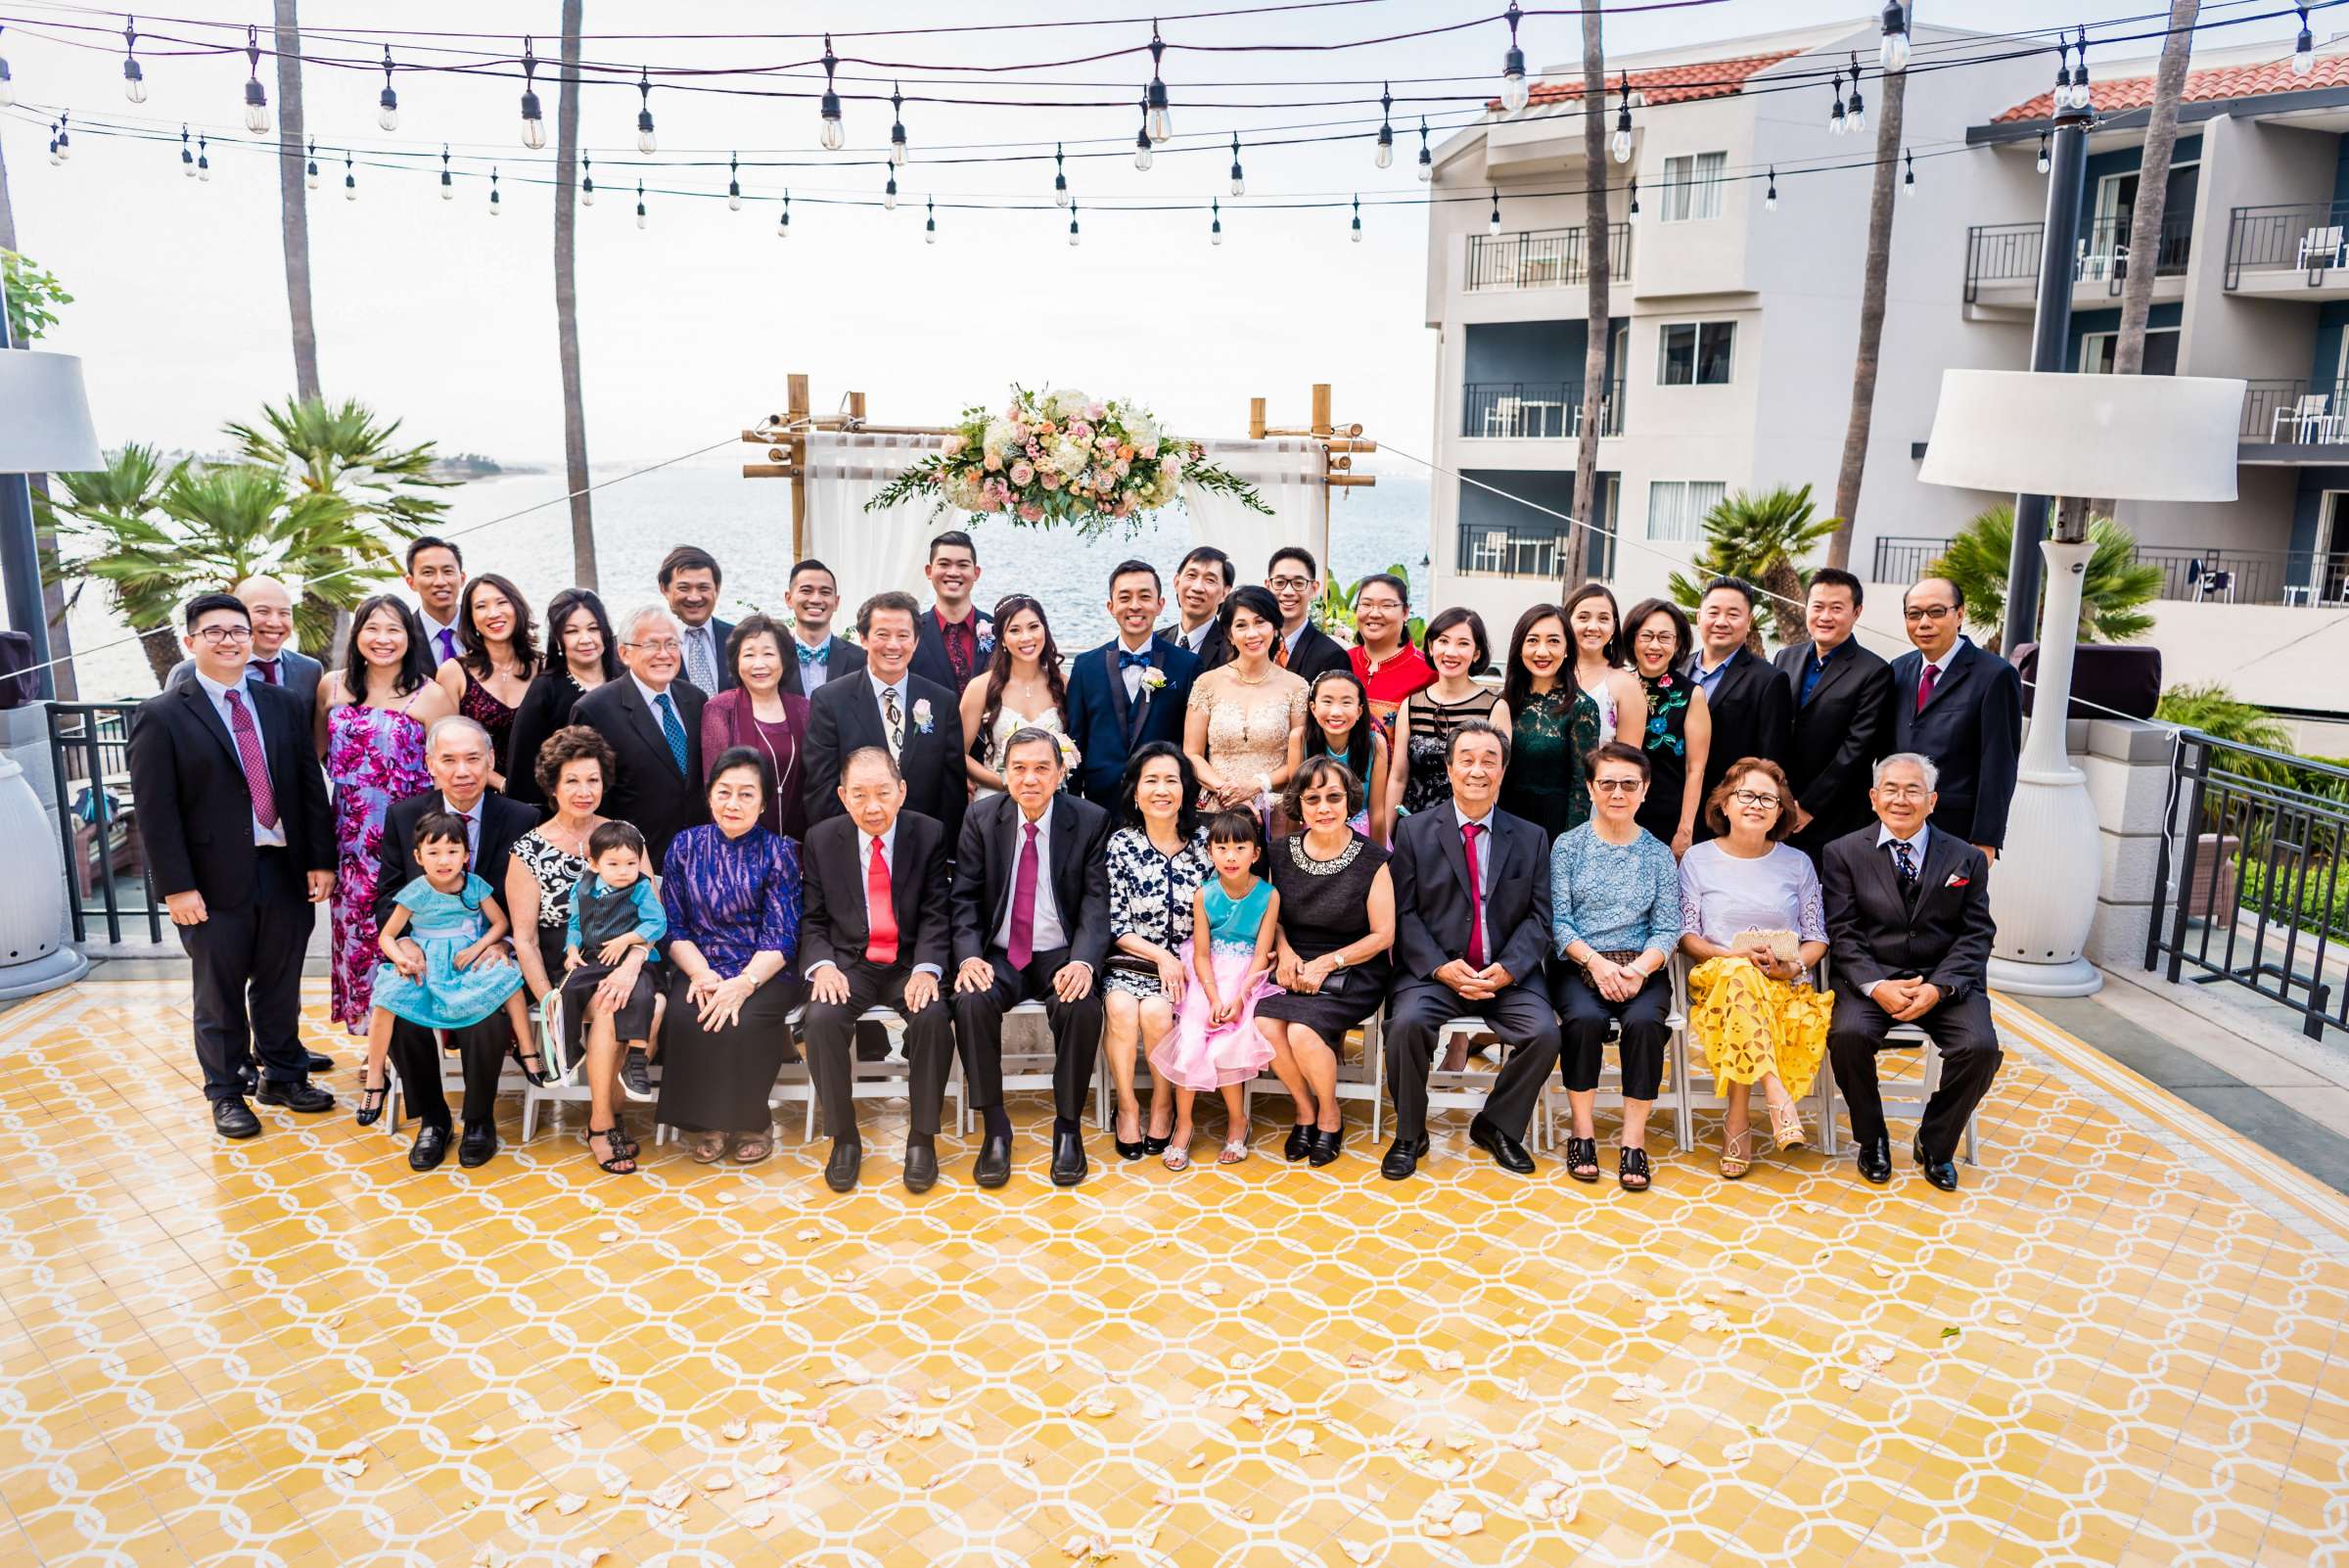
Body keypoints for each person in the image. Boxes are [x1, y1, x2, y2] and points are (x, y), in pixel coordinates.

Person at [126, 592, 336, 1139]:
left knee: (280, 979)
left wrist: (320, 860)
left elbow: (309, 787)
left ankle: (284, 1076)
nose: (229, 640)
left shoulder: (283, 703)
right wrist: (176, 887)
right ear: (191, 641)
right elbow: (156, 811)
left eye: (238, 631)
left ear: (253, 640)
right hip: (210, 882)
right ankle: (225, 1092)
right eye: (215, 631)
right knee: (218, 991)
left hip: (284, 868)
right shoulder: (163, 713)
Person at [1380, 720, 1562, 1181]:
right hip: (1436, 970)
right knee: (1405, 1025)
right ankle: (1410, 1131)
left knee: (1544, 1033)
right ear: (1449, 766)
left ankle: (1496, 1124)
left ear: (1503, 770)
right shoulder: (1415, 832)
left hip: (1505, 973)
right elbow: (1403, 914)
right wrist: (1441, 967)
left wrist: (1510, 968)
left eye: (1489, 760)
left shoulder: (1531, 837)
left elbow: (1541, 918)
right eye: (1467, 759)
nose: (1478, 770)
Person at [371, 715, 543, 1170]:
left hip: (488, 949)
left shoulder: (523, 816)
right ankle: (432, 1119)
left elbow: (533, 898)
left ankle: (480, 1119)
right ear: (430, 764)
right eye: (449, 760)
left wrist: (504, 941)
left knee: (486, 1010)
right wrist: (404, 944)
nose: (462, 770)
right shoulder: (404, 815)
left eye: (473, 758)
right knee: (404, 1012)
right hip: (426, 951)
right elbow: (388, 895)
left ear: (491, 760)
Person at [1821, 753, 2001, 1192]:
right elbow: (1842, 932)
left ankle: (1936, 1142)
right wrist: (1877, 985)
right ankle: (1872, 1138)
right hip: (1872, 981)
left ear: (1932, 800)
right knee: (1846, 1037)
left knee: (1981, 1048)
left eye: (1913, 790)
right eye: (1891, 789)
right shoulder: (1842, 852)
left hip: (1945, 983)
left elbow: (1977, 934)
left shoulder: (1966, 859)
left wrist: (1939, 989)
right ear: (1873, 797)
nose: (1901, 799)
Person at [949, 728, 1114, 1189]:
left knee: (1082, 1006)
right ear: (1004, 773)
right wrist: (966, 958)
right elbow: (962, 899)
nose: (1030, 779)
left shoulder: (1089, 820)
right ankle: (995, 1126)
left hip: (1058, 952)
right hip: (999, 953)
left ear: (1060, 773)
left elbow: (1095, 905)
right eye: (1019, 768)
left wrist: (1083, 961)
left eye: (1042, 767)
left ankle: (1068, 1126)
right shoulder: (981, 818)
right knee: (969, 1000)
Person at [799, 748, 955, 1193]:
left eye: (883, 793)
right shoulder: (822, 839)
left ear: (901, 791)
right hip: (851, 963)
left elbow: (934, 913)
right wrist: (823, 967)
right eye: (861, 795)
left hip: (908, 962)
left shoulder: (928, 833)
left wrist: (927, 969)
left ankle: (922, 1137)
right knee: (821, 1019)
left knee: (933, 1018)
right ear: (843, 796)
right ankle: (844, 1137)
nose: (873, 806)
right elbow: (812, 918)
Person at [1678, 758, 1833, 1179]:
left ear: (1780, 812)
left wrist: (1792, 965)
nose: (1757, 804)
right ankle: (1777, 1096)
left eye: (1769, 798)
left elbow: (1817, 935)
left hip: (1781, 983)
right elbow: (1688, 937)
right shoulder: (1697, 859)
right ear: (1724, 804)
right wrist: (1733, 958)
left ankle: (1738, 1123)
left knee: (1744, 985)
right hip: (1717, 976)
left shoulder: (1797, 863)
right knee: (1738, 977)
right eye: (1746, 795)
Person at [656, 747, 805, 1165]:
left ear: (762, 802)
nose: (733, 804)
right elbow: (673, 926)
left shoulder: (778, 853)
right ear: (709, 796)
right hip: (698, 963)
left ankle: (753, 1122)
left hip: (763, 970)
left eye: (745, 794)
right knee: (688, 1014)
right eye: (724, 792)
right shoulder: (685, 846)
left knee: (744, 1019)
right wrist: (702, 975)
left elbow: (782, 936)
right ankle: (707, 1123)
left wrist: (743, 984)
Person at [318, 594, 453, 1045]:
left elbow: (449, 769)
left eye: (394, 629)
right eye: (372, 628)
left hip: (408, 838)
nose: (383, 639)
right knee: (359, 937)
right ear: (356, 635)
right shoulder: (331, 687)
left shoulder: (430, 694)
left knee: (408, 931)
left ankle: (413, 1038)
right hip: (350, 839)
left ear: (409, 636)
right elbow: (317, 754)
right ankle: (371, 1040)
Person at [1548, 741, 1682, 1192]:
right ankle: (1582, 1132)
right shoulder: (1568, 847)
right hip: (1580, 964)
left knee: (1645, 1024)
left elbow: (1668, 929)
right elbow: (1559, 922)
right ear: (1590, 788)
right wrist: (1597, 964)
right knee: (1583, 1021)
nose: (1618, 793)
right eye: (1607, 784)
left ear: (1644, 790)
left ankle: (1633, 1139)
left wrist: (1638, 970)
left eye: (1629, 784)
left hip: (1641, 968)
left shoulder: (1658, 854)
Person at [1255, 757, 1396, 1166]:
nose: (1324, 808)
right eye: (1312, 799)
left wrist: (1329, 962)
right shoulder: (1278, 854)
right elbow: (1270, 914)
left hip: (1354, 966)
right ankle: (1304, 1109)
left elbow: (1383, 935)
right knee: (1264, 1023)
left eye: (1333, 797)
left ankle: (1330, 1116)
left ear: (1350, 801)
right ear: (1298, 804)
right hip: (1294, 961)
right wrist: (1284, 951)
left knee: (1301, 1030)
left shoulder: (1373, 859)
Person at [504, 726, 655, 1110]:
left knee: (614, 999)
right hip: (566, 962)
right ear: (552, 787)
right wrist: (550, 1000)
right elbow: (525, 939)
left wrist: (632, 964)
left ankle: (604, 1120)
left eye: (593, 780)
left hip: (628, 955)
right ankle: (605, 1120)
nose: (584, 791)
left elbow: (653, 912)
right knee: (607, 1003)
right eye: (571, 781)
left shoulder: (625, 836)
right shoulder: (528, 851)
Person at [361, 812, 538, 1136]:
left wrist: (480, 947)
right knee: (386, 1000)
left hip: (466, 960)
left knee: (508, 979)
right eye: (433, 852)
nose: (444, 861)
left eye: (452, 851)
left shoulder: (475, 887)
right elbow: (387, 935)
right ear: (417, 857)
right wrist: (401, 958)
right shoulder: (415, 892)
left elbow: (500, 923)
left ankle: (528, 1051)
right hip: (427, 961)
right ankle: (376, 1077)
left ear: (466, 855)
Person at [1149, 810, 1281, 1170]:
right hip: (1207, 977)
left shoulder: (1269, 895)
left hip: (1246, 978)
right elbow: (1202, 954)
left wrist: (1238, 999)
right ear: (1210, 852)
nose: (1231, 856)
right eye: (1221, 848)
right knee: (1191, 1040)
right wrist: (1213, 997)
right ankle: (1184, 1123)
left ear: (1255, 853)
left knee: (1227, 1043)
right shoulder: (1204, 895)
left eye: (1240, 848)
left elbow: (1260, 954)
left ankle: (1238, 1121)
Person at [1101, 743, 1210, 1160]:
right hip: (1132, 960)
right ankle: (1127, 1106)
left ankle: (1163, 1106)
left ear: (1185, 790)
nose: (1162, 790)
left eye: (1171, 780)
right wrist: (1160, 957)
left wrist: (1180, 960)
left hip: (1189, 965)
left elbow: (1221, 911)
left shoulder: (1205, 844)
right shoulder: (1120, 845)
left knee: (1158, 1012)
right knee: (1125, 1009)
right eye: (1151, 780)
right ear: (1135, 791)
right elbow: (1117, 924)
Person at [805, 591, 968, 852]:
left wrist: (942, 851)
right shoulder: (830, 701)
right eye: (882, 635)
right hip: (854, 846)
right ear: (863, 639)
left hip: (924, 847)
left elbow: (951, 791)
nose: (893, 645)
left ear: (915, 641)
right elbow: (821, 788)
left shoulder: (942, 701)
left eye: (903, 636)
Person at [558, 820, 667, 1174]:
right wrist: (571, 948)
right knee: (570, 989)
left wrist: (628, 940)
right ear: (594, 864)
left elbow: (657, 923)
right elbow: (575, 924)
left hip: (637, 960)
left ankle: (635, 1061)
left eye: (631, 863)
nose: (624, 872)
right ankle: (568, 1049)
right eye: (614, 864)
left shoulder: (641, 888)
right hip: (594, 958)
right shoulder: (583, 887)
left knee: (640, 995)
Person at [1888, 577, 2022, 859]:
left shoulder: (1995, 675)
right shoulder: (1898, 670)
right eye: (1914, 614)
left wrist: (1986, 841)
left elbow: (1999, 765)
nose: (1924, 623)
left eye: (1936, 612)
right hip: (1897, 826)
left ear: (1960, 614)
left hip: (1956, 832)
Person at [572, 603, 710, 870]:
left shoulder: (695, 699)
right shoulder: (594, 710)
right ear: (624, 653)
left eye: (671, 644)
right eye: (651, 645)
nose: (664, 654)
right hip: (635, 863)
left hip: (699, 859)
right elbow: (590, 798)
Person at [1772, 569, 1892, 859]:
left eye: (1837, 608)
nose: (1825, 616)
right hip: (1779, 809)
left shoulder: (1874, 671)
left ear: (1856, 612)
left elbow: (1857, 749)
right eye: (1818, 606)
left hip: (1837, 815)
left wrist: (1809, 805)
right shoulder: (1785, 657)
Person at [1064, 561, 1201, 808]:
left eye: (1145, 596)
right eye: (1125, 597)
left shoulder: (1187, 665)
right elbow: (1076, 741)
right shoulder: (1086, 666)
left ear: (1160, 605)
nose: (1135, 606)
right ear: (1111, 606)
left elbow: (1191, 742)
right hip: (1099, 804)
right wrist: (1072, 807)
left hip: (1164, 804)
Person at [1184, 585, 1308, 816]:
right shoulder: (1207, 683)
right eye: (1241, 625)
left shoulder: (1297, 687)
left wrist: (1256, 784)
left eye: (1260, 622)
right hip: (1216, 806)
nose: (1252, 634)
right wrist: (1226, 791)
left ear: (1274, 626)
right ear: (1230, 634)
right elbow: (1192, 753)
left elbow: (1299, 759)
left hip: (1274, 810)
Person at [1684, 578, 1790, 842]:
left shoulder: (1768, 680)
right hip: (1670, 806)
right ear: (1699, 617)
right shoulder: (1676, 670)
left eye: (1733, 614)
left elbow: (1771, 758)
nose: (1722, 621)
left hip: (1726, 816)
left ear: (1749, 620)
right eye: (1713, 612)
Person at [701, 613, 812, 842]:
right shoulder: (720, 709)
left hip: (798, 843)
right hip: (739, 843)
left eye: (769, 654)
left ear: (784, 659)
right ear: (736, 661)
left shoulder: (805, 709)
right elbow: (714, 786)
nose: (759, 664)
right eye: (749, 654)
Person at [506, 587, 619, 810]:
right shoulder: (545, 690)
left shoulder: (625, 677)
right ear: (558, 639)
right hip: (569, 810)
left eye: (593, 629)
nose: (585, 639)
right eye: (572, 631)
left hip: (629, 807)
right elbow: (523, 767)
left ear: (605, 633)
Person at [1391, 607, 1506, 822]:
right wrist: (1386, 841)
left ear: (1477, 653)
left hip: (1468, 830)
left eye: (1463, 643)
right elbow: (1398, 778)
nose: (1451, 652)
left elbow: (1495, 783)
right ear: (1431, 647)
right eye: (1443, 641)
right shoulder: (1411, 705)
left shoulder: (1495, 708)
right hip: (1414, 829)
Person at [963, 593, 1075, 800]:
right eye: (1015, 630)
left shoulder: (1064, 684)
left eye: (1033, 627)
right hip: (996, 796)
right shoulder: (980, 688)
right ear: (1003, 639)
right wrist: (1006, 783)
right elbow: (959, 754)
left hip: (1052, 798)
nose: (1026, 637)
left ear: (1045, 630)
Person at [1624, 598, 1712, 857]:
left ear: (1677, 643)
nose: (1654, 645)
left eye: (1664, 637)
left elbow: (1696, 769)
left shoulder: (1692, 694)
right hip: (1615, 810)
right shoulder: (1617, 685)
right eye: (1646, 636)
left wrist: (1685, 828)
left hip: (1665, 818)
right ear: (1632, 640)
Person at [435, 573, 538, 788]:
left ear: (517, 607)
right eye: (481, 606)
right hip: (478, 794)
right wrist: (504, 785)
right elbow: (446, 747)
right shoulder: (454, 672)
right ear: (470, 617)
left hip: (542, 795)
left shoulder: (544, 667)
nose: (493, 613)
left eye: (502, 603)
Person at [164, 574, 322, 711]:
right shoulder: (188, 672)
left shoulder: (309, 670)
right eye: (262, 611)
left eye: (284, 613)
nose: (275, 622)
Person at [1286, 669, 1383, 840]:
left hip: (1359, 836)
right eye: (1327, 702)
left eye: (1346, 703)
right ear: (1313, 708)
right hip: (1313, 834)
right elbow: (1295, 804)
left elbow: (1377, 812)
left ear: (1359, 711)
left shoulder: (1375, 744)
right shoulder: (1300, 739)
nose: (1336, 712)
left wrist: (1380, 859)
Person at [1347, 572, 1434, 729]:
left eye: (1386, 605)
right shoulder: (1342, 661)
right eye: (1366, 604)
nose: (1374, 614)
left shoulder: (1428, 672)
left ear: (1405, 612)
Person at [910, 531, 994, 693]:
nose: (954, 572)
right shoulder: (912, 632)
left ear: (976, 573)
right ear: (929, 571)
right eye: (944, 564)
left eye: (963, 565)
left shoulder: (1000, 630)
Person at [779, 558, 866, 698]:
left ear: (836, 602)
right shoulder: (774, 657)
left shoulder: (862, 660)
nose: (815, 599)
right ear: (789, 599)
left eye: (825, 592)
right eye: (806, 591)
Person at [660, 544, 736, 696]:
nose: (694, 597)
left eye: (703, 588)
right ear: (664, 589)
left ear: (717, 588)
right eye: (683, 588)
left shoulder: (739, 638)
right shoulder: (646, 645)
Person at [1164, 544, 1234, 665]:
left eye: (1210, 580)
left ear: (1224, 593)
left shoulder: (1233, 649)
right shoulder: (1154, 642)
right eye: (1191, 576)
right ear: (1176, 582)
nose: (1197, 587)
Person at [404, 536, 467, 665]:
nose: (440, 582)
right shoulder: (403, 636)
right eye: (428, 572)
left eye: (448, 571)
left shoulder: (482, 627)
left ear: (462, 579)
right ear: (411, 583)